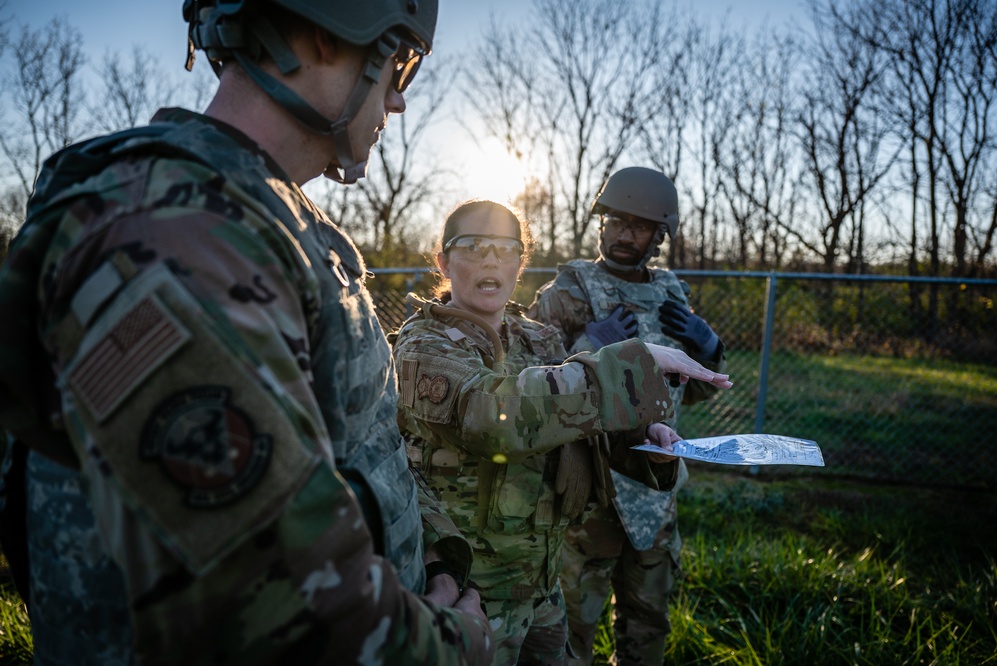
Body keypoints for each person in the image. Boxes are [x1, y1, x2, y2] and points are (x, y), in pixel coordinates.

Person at [0, 1, 495, 663]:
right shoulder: (173, 238)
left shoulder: (253, 221)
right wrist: (454, 645)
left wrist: (425, 551)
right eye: (400, 64)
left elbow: (336, 454)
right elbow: (276, 607)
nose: (398, 103)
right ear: (328, 34)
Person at [390, 200, 733, 665]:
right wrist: (631, 362)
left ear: (520, 263)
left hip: (542, 586)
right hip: (471, 594)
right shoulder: (423, 343)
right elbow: (494, 416)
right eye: (472, 246)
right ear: (444, 262)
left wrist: (644, 443)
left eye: (506, 248)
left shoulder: (540, 340)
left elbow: (576, 423)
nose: (491, 259)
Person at [529, 167, 728, 665]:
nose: (622, 234)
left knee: (648, 624)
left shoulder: (670, 295)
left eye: (638, 226)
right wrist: (586, 345)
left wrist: (710, 351)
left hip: (654, 490)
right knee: (572, 630)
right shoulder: (569, 290)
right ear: (601, 222)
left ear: (659, 236)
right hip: (587, 491)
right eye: (615, 221)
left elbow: (689, 398)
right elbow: (526, 389)